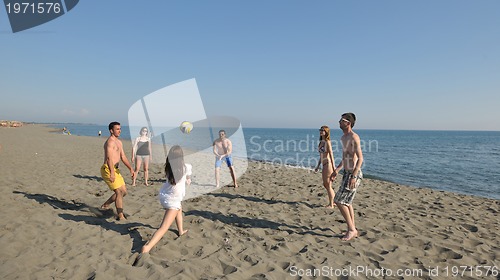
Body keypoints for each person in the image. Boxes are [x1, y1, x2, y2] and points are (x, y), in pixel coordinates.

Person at [140, 145, 191, 254]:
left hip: (164, 196)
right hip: (172, 200)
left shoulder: (168, 167)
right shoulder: (186, 167)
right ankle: (147, 247)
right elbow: (187, 177)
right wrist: (188, 180)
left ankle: (181, 231)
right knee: (163, 228)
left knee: (179, 208)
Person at [330, 113, 364, 241]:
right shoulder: (343, 137)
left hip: (354, 174)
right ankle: (352, 228)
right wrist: (336, 170)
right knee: (347, 203)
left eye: (342, 120)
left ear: (348, 123)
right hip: (346, 173)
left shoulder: (354, 137)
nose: (339, 122)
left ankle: (351, 229)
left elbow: (360, 158)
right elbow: (345, 157)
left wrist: (354, 176)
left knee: (338, 201)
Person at [100, 121, 135, 220]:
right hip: (108, 169)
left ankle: (105, 205)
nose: (120, 131)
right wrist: (111, 173)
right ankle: (121, 216)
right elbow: (109, 159)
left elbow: (123, 156)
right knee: (119, 192)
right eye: (117, 129)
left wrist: (130, 168)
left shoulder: (119, 142)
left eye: (120, 129)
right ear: (111, 130)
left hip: (116, 169)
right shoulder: (109, 142)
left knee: (124, 192)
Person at [314, 125, 336, 208]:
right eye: (320, 130)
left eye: (323, 130)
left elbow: (331, 155)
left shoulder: (327, 142)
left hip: (328, 165)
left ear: (326, 132)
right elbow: (321, 156)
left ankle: (331, 204)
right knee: (326, 185)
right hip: (323, 165)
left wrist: (334, 168)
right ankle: (334, 201)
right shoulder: (321, 142)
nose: (321, 131)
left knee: (328, 185)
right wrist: (317, 166)